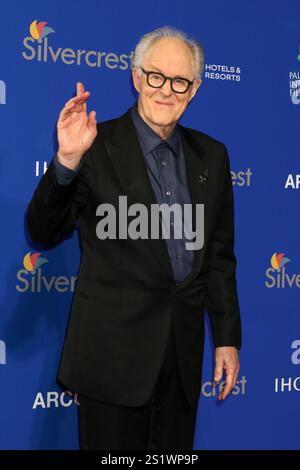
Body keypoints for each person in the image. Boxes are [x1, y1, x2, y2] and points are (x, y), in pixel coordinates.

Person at [26, 25, 241, 450]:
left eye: (180, 81)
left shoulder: (211, 156)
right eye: (156, 76)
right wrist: (67, 161)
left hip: (181, 359)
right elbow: (43, 231)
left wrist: (228, 338)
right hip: (111, 360)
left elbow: (218, 257)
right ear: (137, 77)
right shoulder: (95, 145)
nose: (167, 90)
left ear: (194, 89)